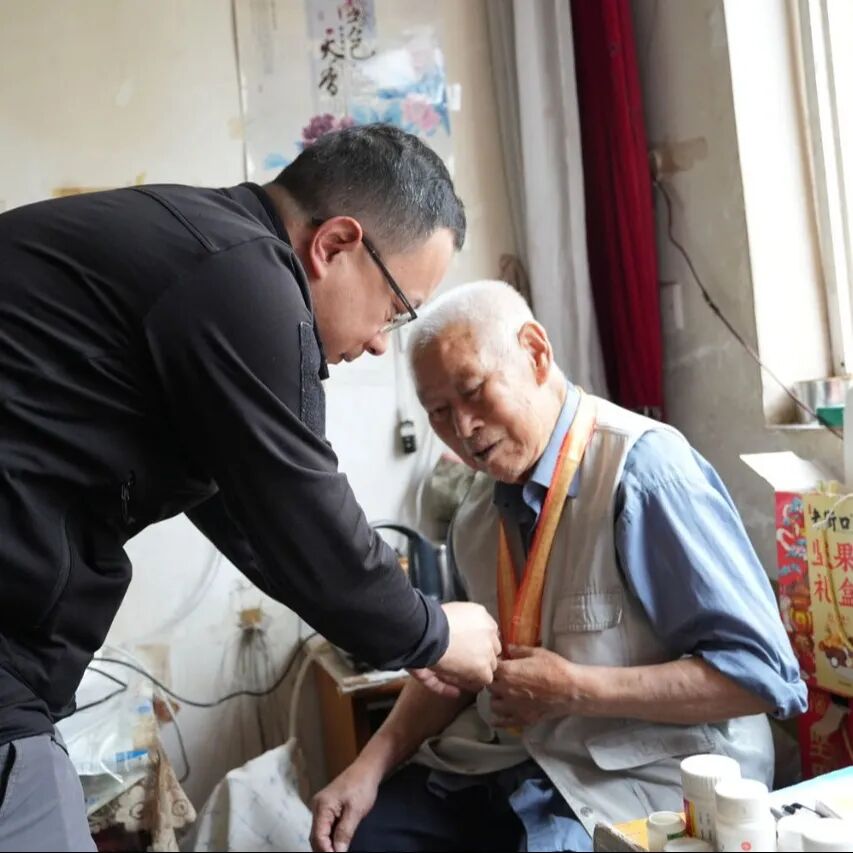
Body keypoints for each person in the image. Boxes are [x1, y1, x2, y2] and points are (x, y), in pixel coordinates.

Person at [0, 125, 500, 851]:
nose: (377, 342)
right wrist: (437, 634)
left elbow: (259, 522)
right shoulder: (242, 276)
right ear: (335, 244)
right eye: (395, 308)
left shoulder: (195, 249)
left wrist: (398, 626)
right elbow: (306, 518)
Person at [310, 280, 806, 853]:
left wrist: (575, 689)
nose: (463, 429)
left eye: (473, 391)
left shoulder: (644, 473)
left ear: (536, 352)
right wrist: (366, 768)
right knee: (365, 838)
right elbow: (457, 673)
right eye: (439, 412)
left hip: (647, 777)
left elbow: (760, 677)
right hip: (517, 760)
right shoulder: (474, 515)